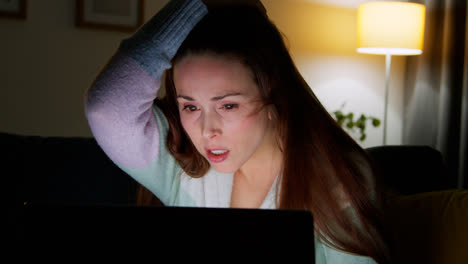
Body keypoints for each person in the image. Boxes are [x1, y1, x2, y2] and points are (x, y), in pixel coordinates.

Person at [85, 0, 390, 263]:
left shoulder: (334, 178)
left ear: (273, 91)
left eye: (228, 106)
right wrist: (200, 3)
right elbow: (107, 108)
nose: (207, 131)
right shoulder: (182, 165)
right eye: (190, 107)